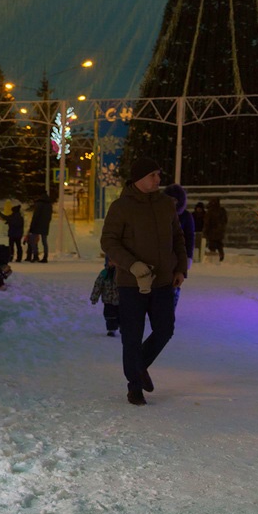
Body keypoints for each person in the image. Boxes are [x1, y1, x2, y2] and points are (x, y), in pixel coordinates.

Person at [100, 157, 187, 406]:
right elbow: (109, 242)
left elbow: (178, 238)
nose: (158, 180)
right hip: (132, 283)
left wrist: (180, 268)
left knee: (165, 329)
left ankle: (138, 368)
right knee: (132, 335)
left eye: (158, 175)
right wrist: (132, 265)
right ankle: (134, 386)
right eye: (153, 176)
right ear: (139, 178)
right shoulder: (121, 207)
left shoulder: (165, 205)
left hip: (162, 282)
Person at [162, 184, 194, 308]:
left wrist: (188, 257)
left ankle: (170, 308)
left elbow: (190, 237)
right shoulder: (161, 215)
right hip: (163, 255)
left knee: (174, 284)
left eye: (175, 200)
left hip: (178, 256)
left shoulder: (186, 216)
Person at [90, 257, 120, 337]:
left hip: (119, 300)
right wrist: (94, 297)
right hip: (108, 300)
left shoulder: (121, 273)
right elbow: (98, 286)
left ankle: (123, 328)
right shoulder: (104, 273)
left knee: (121, 315)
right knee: (109, 315)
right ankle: (111, 329)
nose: (112, 263)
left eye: (114, 261)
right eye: (110, 261)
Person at [28, 193, 54, 263]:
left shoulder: (39, 204)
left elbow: (35, 216)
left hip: (37, 225)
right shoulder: (49, 205)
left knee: (33, 241)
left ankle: (36, 255)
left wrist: (31, 227)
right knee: (44, 241)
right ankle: (45, 256)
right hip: (45, 225)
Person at [203, 197, 228, 262]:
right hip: (219, 231)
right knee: (218, 245)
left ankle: (214, 257)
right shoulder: (221, 210)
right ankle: (220, 256)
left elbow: (207, 222)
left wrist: (206, 230)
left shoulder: (211, 211)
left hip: (212, 231)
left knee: (213, 245)